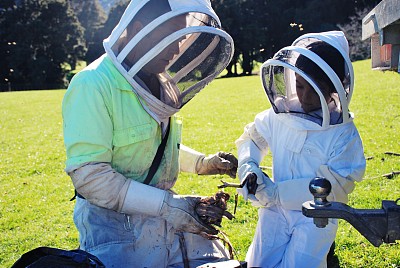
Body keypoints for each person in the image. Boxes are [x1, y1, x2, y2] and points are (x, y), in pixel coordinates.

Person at [62, 0, 237, 267]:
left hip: (162, 224)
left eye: (182, 37)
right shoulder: (92, 84)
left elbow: (153, 146)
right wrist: (166, 205)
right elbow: (90, 176)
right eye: (170, 37)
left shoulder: (156, 79)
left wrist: (203, 163)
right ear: (138, 30)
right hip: (114, 231)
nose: (178, 48)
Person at [236, 31, 366, 267]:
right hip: (274, 212)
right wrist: (249, 166)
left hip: (315, 219)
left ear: (332, 88)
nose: (304, 96)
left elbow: (338, 186)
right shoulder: (281, 113)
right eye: (299, 86)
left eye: (313, 90)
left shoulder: (342, 133)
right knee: (259, 263)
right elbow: (252, 139)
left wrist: (279, 193)